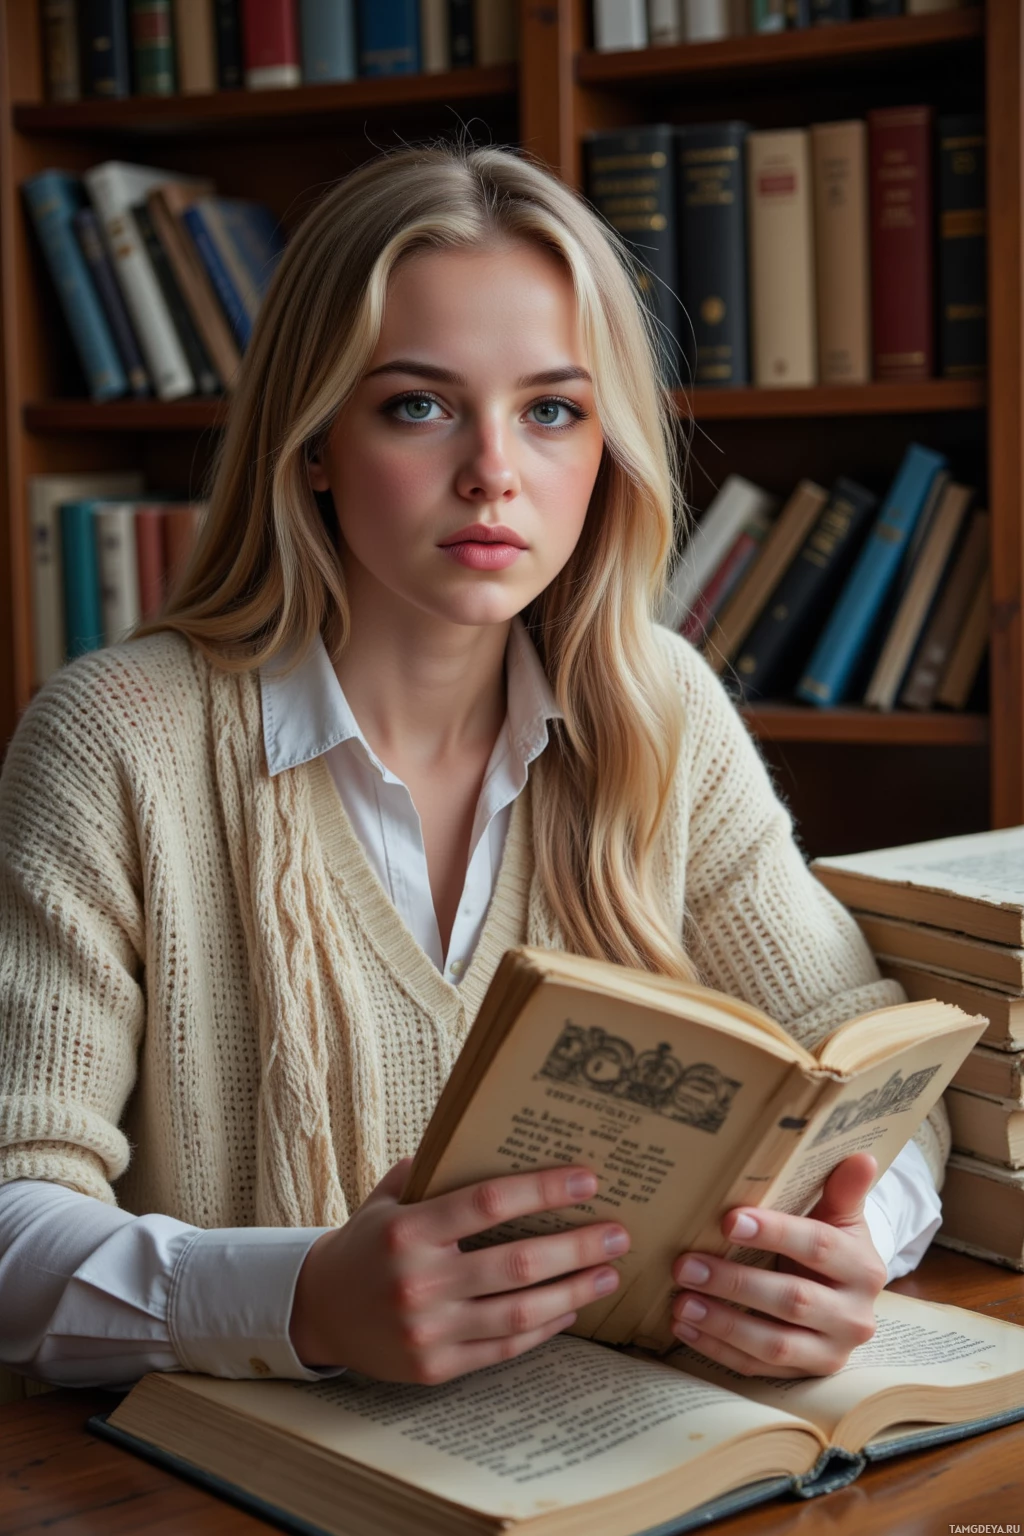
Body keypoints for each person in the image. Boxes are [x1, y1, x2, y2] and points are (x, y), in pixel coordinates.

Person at [0, 145, 947, 1392]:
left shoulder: (658, 710)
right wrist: (299, 1302)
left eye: (551, 409)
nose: (494, 470)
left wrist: (843, 1244)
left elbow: (877, 1067)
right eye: (418, 403)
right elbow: (16, 1210)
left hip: (621, 1457)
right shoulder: (118, 737)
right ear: (315, 439)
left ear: (605, 448)